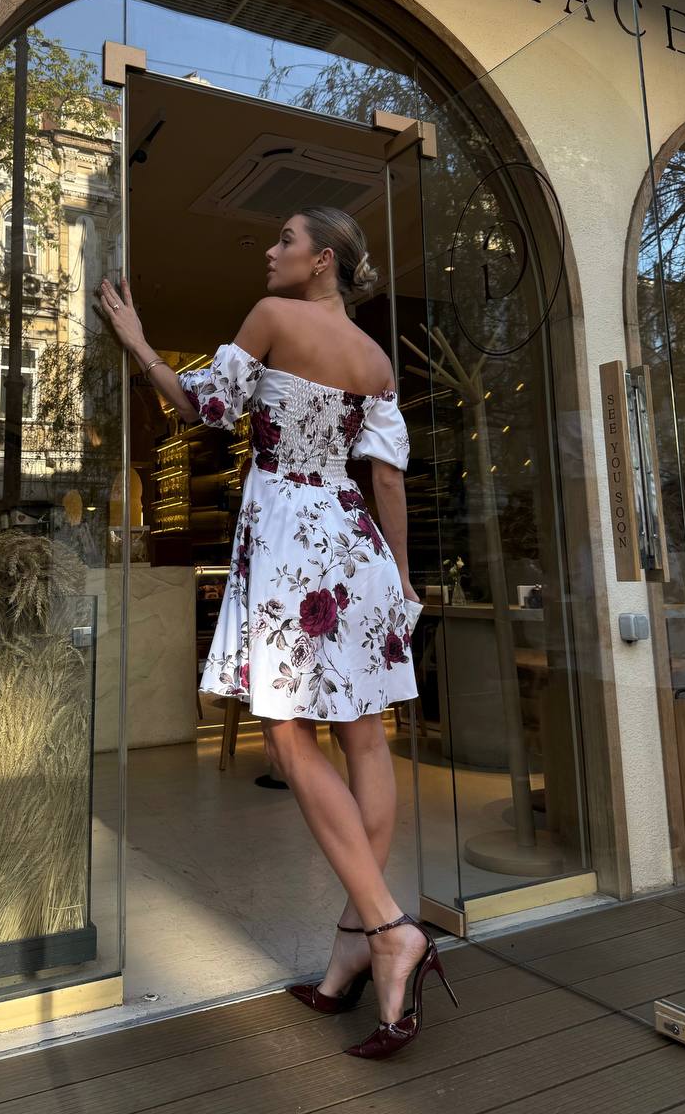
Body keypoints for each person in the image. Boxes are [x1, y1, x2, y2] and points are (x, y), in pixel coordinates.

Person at [95, 206, 457, 1059]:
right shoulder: (375, 360)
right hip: (357, 541)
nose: (269, 251)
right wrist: (401, 578)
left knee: (287, 736)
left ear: (321, 259)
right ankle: (355, 947)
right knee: (364, 735)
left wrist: (139, 343)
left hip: (290, 538)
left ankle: (388, 929)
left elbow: (201, 408)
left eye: (284, 240)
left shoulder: (270, 317)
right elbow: (388, 480)